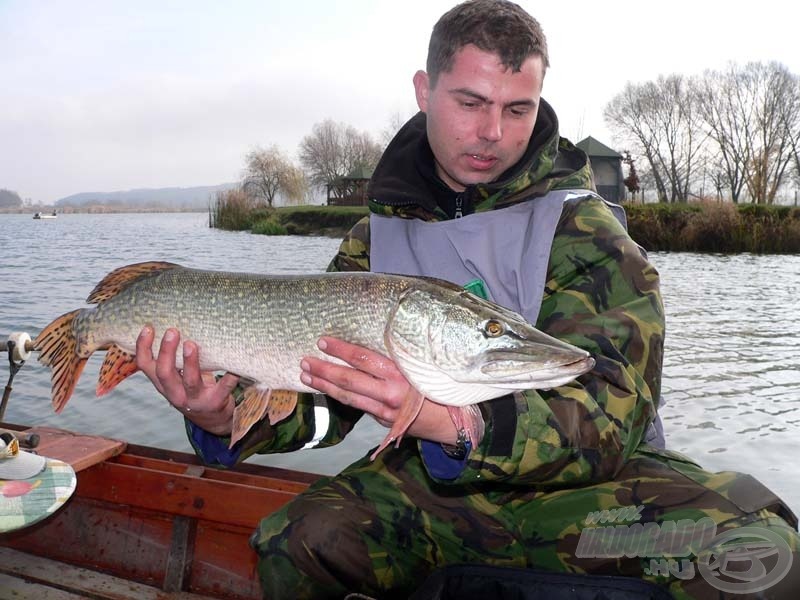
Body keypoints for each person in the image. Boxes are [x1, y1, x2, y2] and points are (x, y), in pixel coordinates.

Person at [136, 1, 799, 598]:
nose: (493, 133)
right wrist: (222, 418)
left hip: (584, 497)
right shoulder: (376, 241)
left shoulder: (585, 231)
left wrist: (457, 424)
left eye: (518, 109)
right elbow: (322, 406)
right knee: (294, 540)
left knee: (761, 547)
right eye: (471, 102)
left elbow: (607, 416)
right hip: (431, 490)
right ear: (424, 92)